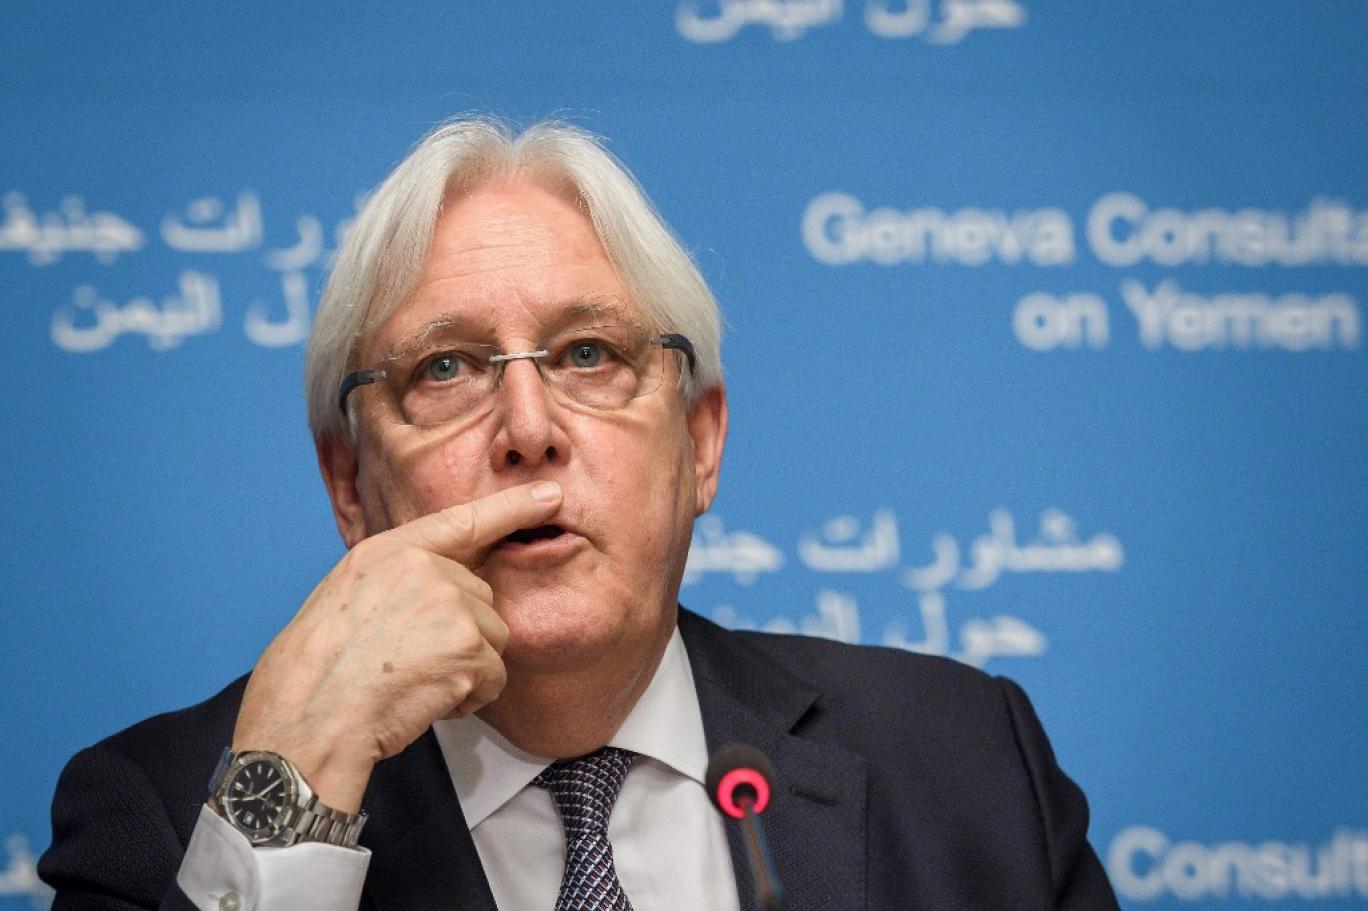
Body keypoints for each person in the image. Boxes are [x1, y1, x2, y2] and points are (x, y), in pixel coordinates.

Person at [40, 117, 1120, 910]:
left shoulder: (967, 765)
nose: (528, 428)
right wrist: (288, 813)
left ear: (699, 440)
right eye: (447, 367)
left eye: (589, 353)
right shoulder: (164, 818)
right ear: (350, 485)